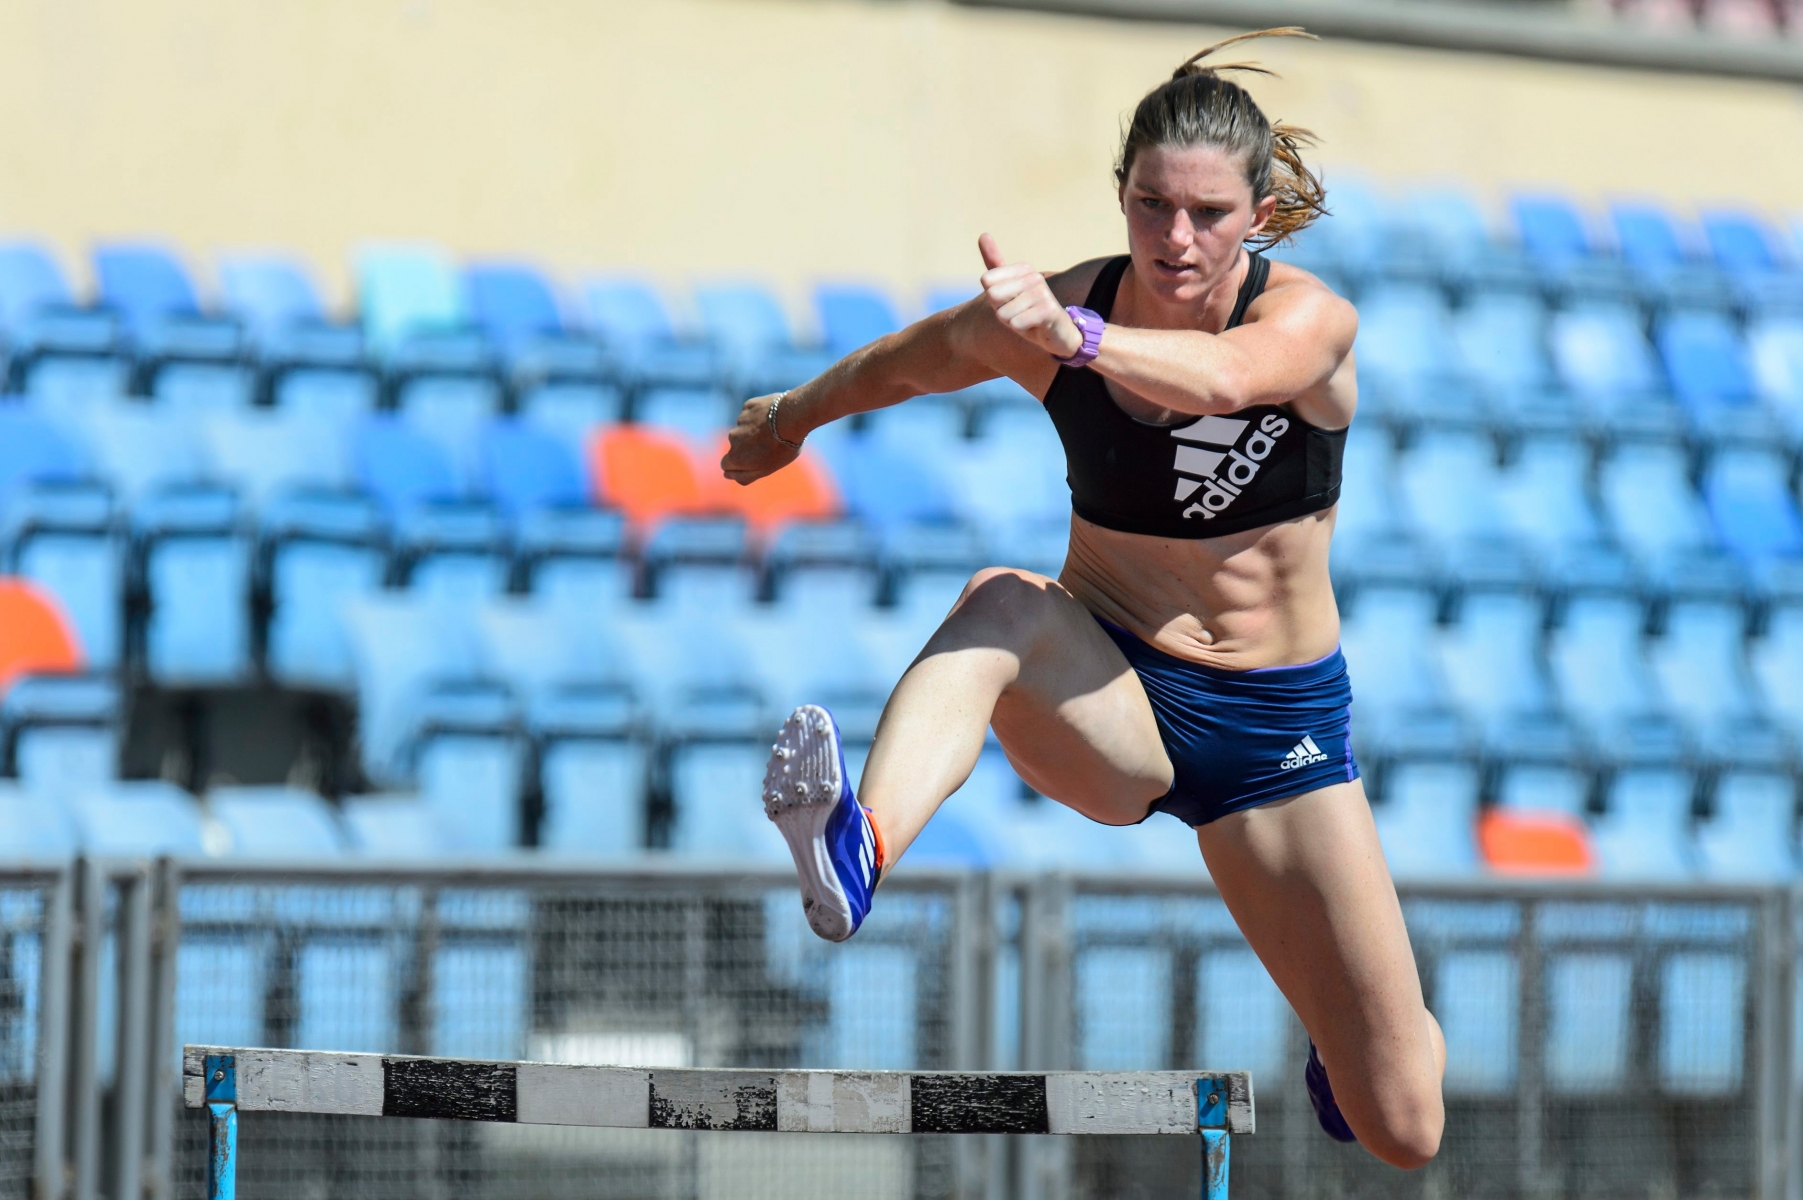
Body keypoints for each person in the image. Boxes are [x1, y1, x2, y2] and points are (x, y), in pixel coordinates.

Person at [720, 28, 1445, 1170]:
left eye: (1208, 214)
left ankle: (1345, 1043)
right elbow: (916, 356)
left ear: (1255, 215)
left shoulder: (1307, 322)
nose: (1176, 238)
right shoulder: (1064, 316)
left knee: (1406, 1122)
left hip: (1276, 736)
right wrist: (794, 417)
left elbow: (1228, 380)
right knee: (1001, 600)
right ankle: (857, 852)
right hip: (1115, 693)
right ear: (1122, 195)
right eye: (1153, 205)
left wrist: (1082, 339)